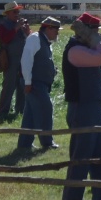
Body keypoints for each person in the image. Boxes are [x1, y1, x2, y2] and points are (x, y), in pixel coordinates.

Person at [61, 12, 101, 200]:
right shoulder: (75, 51)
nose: (97, 35)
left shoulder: (87, 45)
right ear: (85, 32)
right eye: (94, 31)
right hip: (82, 108)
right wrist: (92, 38)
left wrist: (95, 37)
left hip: (94, 107)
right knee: (80, 158)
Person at [16, 17, 62, 151]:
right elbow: (26, 61)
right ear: (48, 28)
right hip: (34, 83)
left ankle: (24, 143)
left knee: (30, 115)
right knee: (45, 109)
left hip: (38, 82)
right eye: (56, 30)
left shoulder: (44, 41)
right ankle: (47, 141)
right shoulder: (34, 39)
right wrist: (28, 82)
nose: (57, 33)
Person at [0, 1, 31, 119]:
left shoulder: (21, 24)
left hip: (23, 59)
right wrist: (16, 28)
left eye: (18, 11)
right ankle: (3, 111)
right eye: (14, 11)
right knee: (9, 86)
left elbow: (29, 38)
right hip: (10, 60)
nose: (17, 14)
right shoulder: (2, 26)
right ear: (8, 13)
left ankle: (20, 110)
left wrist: (27, 32)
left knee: (22, 86)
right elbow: (5, 39)